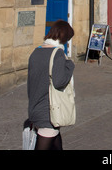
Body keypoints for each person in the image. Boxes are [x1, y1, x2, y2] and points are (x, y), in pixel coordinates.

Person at [27, 20, 75, 150]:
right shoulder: (57, 54)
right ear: (63, 38)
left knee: (56, 144)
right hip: (49, 112)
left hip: (35, 108)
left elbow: (30, 84)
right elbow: (59, 82)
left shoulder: (35, 52)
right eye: (67, 40)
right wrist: (70, 66)